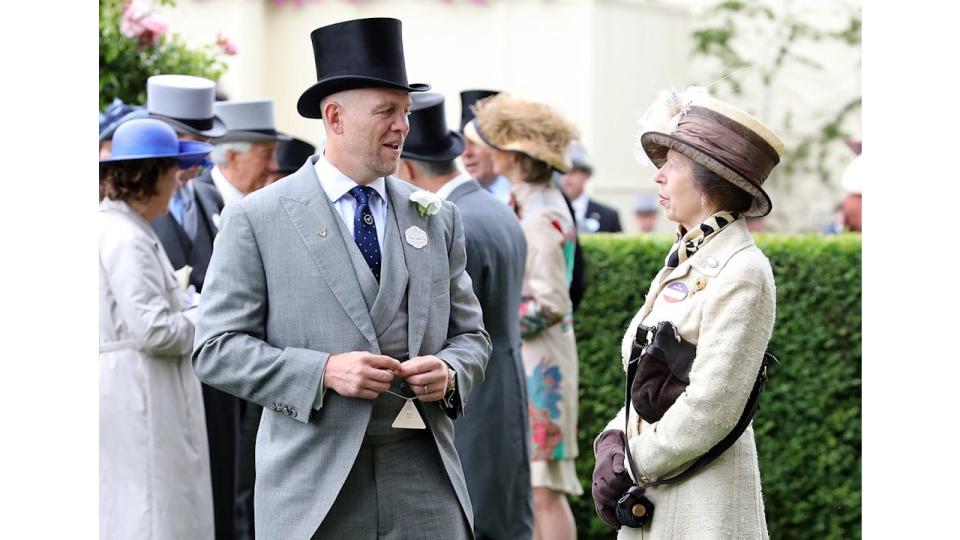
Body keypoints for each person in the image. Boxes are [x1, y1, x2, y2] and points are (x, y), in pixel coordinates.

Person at [192, 18, 491, 539]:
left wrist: (449, 371)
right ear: (334, 117)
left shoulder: (436, 217)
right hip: (312, 483)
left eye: (406, 112)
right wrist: (322, 372)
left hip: (423, 480)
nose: (404, 126)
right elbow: (215, 348)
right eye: (387, 112)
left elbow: (473, 338)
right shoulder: (257, 217)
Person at [591, 87, 782, 539]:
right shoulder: (688, 257)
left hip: (703, 501)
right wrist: (613, 440)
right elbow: (645, 379)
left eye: (671, 165)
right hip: (653, 492)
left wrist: (632, 461)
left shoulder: (743, 270)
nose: (658, 178)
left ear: (707, 180)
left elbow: (712, 406)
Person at [396, 92, 533, 540]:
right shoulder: (494, 209)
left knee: (475, 521)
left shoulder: (454, 222)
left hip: (470, 395)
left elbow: (446, 328)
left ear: (408, 169)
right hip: (503, 386)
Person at [135, 73, 250, 540]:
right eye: (189, 140)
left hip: (216, 380)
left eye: (203, 141)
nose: (199, 154)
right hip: (161, 377)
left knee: (222, 487)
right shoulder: (128, 208)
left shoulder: (206, 198)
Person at [465, 93, 582, 540]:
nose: (482, 152)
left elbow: (552, 303)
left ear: (514, 157)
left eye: (492, 145)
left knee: (543, 489)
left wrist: (493, 321)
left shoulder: (541, 214)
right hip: (531, 363)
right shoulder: (531, 204)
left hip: (541, 369)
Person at [99, 118, 215, 539]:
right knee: (148, 508)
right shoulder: (124, 237)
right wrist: (211, 312)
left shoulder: (126, 229)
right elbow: (154, 332)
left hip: (142, 387)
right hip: (139, 390)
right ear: (152, 175)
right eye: (173, 171)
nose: (179, 182)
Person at [199, 99, 289, 206]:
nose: (274, 166)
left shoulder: (266, 203)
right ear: (233, 157)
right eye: (267, 155)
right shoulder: (196, 202)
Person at [459, 89, 513, 205]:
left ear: (498, 145)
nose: (466, 153)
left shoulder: (522, 196)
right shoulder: (459, 201)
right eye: (462, 142)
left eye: (474, 142)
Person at [561, 141, 623, 233]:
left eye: (573, 172)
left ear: (586, 175)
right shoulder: (552, 212)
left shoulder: (608, 216)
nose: (566, 178)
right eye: (563, 172)